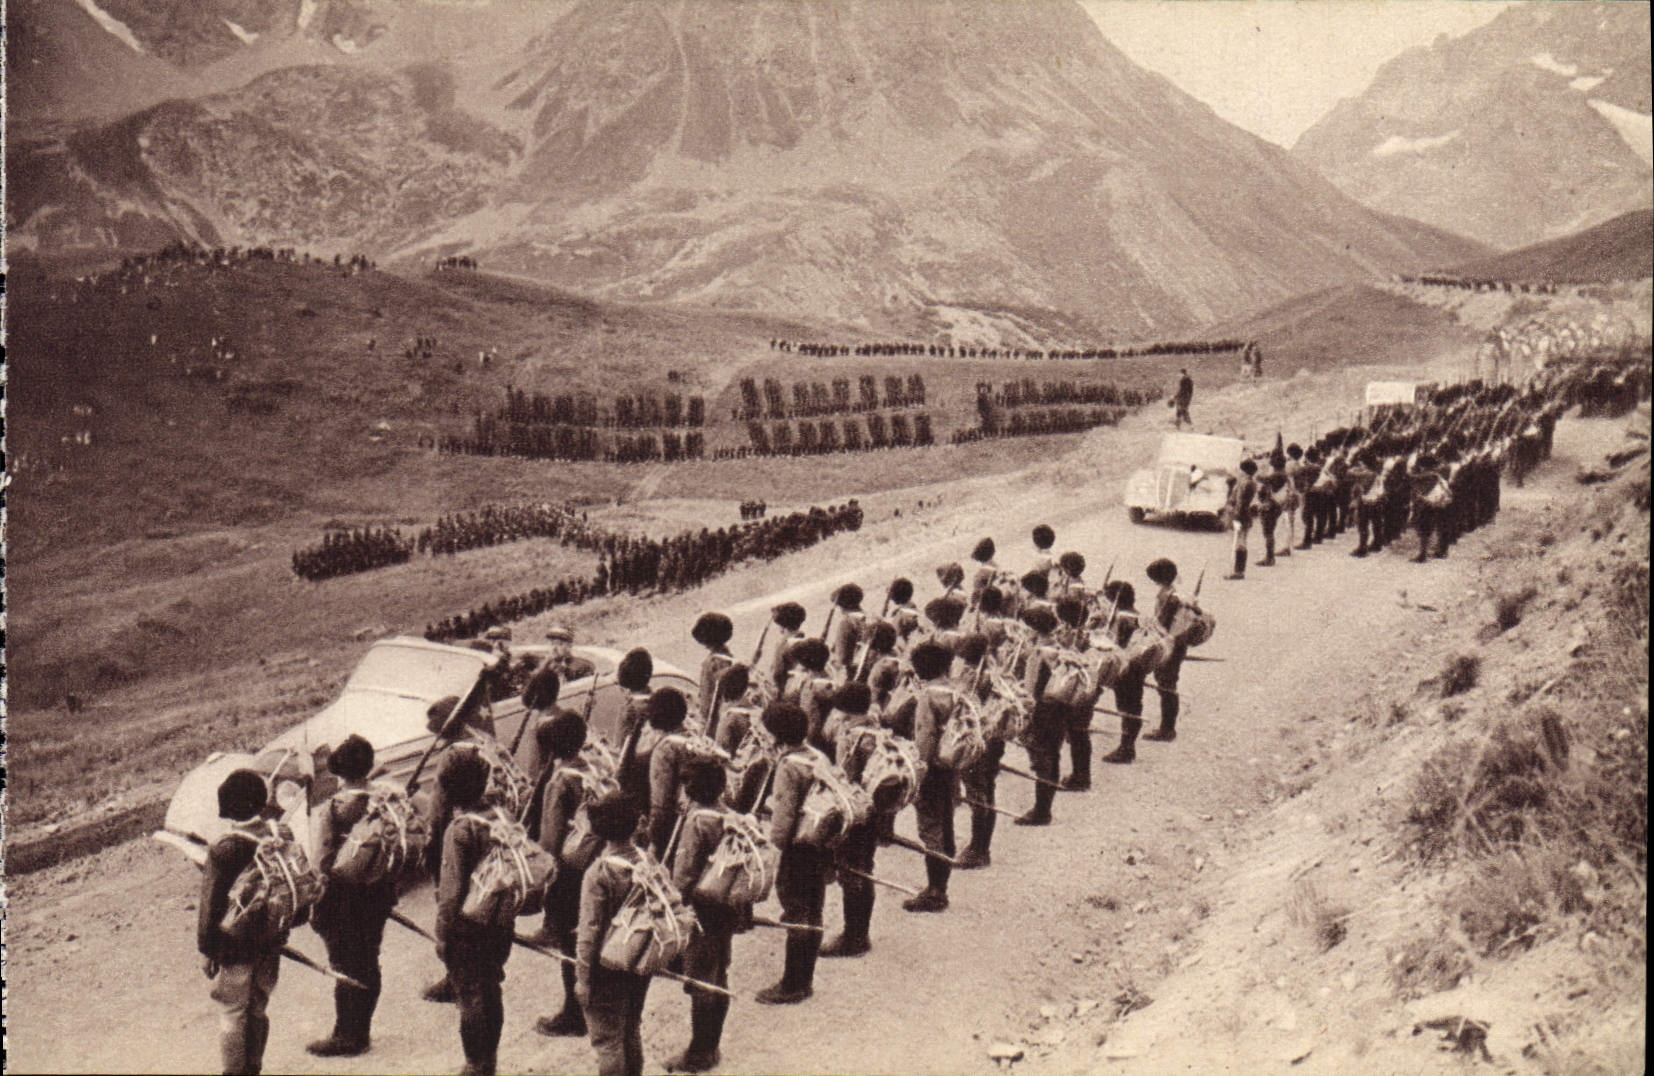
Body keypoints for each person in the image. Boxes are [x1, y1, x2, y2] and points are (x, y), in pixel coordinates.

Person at [307, 735, 397, 1058]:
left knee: (345, 964)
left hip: (344, 896)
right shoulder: (385, 800)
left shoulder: (336, 809)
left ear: (338, 773)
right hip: (378, 891)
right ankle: (363, 1029)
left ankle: (347, 1034)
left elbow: (321, 861)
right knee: (369, 958)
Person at [199, 769, 291, 1076]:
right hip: (272, 937)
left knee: (231, 1011)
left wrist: (208, 950)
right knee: (258, 1007)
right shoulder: (278, 835)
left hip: (234, 943)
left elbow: (211, 907)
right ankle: (254, 1068)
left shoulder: (224, 848)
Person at [433, 749, 513, 1076]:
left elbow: (450, 893)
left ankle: (476, 1064)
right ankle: (489, 1060)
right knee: (491, 988)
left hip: (468, 926)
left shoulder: (460, 830)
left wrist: (442, 935)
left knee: (470, 996)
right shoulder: (499, 815)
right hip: (499, 920)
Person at [666, 761, 744, 1072]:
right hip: (725, 907)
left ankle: (701, 1051)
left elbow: (683, 875)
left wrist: (673, 906)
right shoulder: (729, 815)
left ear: (689, 790)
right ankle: (712, 1044)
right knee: (718, 974)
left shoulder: (696, 821)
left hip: (701, 912)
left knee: (701, 982)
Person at [576, 793, 653, 1076]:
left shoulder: (599, 873)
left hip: (605, 968)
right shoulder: (647, 860)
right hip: (638, 959)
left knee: (607, 1040)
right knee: (630, 1029)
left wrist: (583, 979)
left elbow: (589, 931)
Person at [755, 701, 827, 1004]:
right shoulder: (816, 756)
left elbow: (784, 819)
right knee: (813, 908)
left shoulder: (788, 766)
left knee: (796, 910)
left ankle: (793, 983)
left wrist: (775, 849)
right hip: (819, 843)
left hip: (797, 849)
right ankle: (805, 978)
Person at [530, 711, 592, 1039]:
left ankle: (574, 1011)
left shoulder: (559, 781)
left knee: (569, 943)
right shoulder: (594, 769)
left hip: (568, 872)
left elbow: (551, 839)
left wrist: (542, 879)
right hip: (594, 863)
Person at [1098, 581, 1146, 764]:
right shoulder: (1137, 616)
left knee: (1127, 708)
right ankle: (1128, 746)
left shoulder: (1122, 619)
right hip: (1137, 667)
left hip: (1126, 667)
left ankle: (1126, 748)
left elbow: (1117, 645)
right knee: (1134, 706)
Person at [1144, 558, 1189, 743]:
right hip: (1177, 643)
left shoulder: (1167, 597)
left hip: (1168, 645)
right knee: (1168, 684)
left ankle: (1167, 729)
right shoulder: (1176, 593)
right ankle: (1167, 726)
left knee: (1166, 685)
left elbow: (1161, 623)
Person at [1224, 459, 1257, 580]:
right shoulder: (1249, 483)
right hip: (1244, 514)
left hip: (1241, 515)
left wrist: (1236, 515)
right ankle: (1239, 570)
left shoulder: (1245, 484)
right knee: (1241, 542)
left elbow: (1241, 503)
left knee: (1239, 543)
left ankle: (1238, 571)